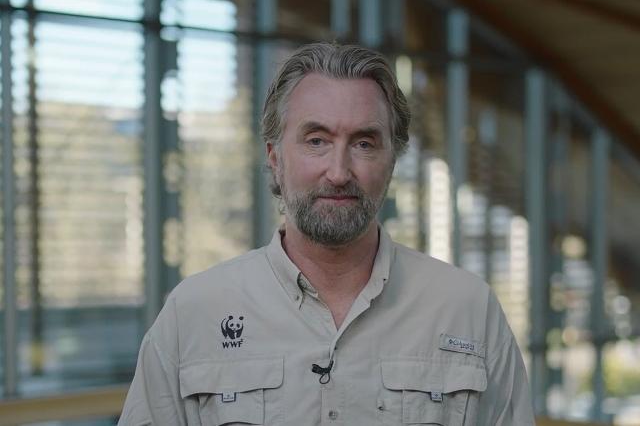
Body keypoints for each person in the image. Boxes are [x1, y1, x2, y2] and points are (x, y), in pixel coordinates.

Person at [118, 43, 535, 426]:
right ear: (275, 157)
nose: (338, 172)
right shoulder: (194, 313)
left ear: (392, 161)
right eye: (316, 140)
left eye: (364, 144)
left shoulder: (468, 309)